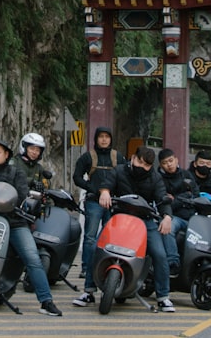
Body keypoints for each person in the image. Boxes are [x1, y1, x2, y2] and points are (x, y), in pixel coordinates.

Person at [0, 139, 63, 316]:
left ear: (7, 154)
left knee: (32, 258)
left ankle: (46, 301)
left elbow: (22, 195)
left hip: (15, 222)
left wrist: (16, 206)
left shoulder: (15, 172)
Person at [96, 145, 177, 311]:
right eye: (140, 162)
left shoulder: (155, 178)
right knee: (95, 245)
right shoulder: (119, 171)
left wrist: (167, 217)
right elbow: (107, 184)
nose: (142, 167)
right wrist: (104, 192)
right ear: (133, 158)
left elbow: (162, 198)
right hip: (119, 217)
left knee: (160, 254)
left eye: (147, 165)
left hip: (145, 220)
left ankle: (163, 296)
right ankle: (89, 290)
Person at [72, 126, 124, 307]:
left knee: (111, 239)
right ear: (96, 138)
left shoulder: (118, 157)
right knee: (90, 237)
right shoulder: (88, 156)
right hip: (94, 201)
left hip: (113, 202)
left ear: (111, 139)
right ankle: (87, 267)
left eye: (107, 137)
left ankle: (107, 269)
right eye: (100, 137)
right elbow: (77, 177)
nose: (104, 140)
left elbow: (125, 177)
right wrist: (92, 189)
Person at [157, 148, 198, 274]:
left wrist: (178, 199)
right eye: (165, 163)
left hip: (192, 217)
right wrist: (185, 197)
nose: (169, 165)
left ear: (176, 160)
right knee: (169, 228)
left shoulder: (187, 175)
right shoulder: (160, 179)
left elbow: (196, 195)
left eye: (171, 161)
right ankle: (173, 262)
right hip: (175, 217)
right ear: (161, 165)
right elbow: (165, 203)